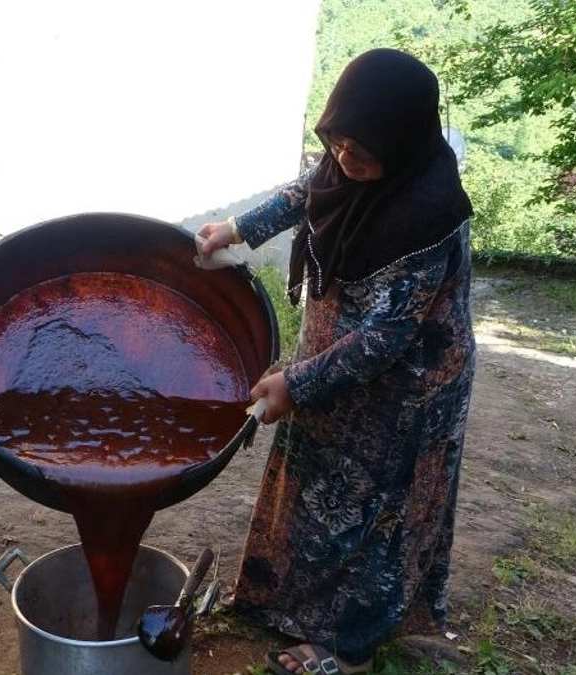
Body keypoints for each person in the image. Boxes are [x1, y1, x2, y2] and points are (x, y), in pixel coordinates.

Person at [199, 50, 475, 674]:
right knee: (314, 480)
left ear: (404, 138)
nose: (347, 158)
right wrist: (236, 229)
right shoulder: (349, 165)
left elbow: (387, 336)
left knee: (373, 507)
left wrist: (296, 383)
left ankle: (348, 646)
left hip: (409, 385)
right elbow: (308, 191)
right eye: (338, 141)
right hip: (331, 358)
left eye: (363, 148)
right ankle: (283, 602)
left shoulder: (426, 212)